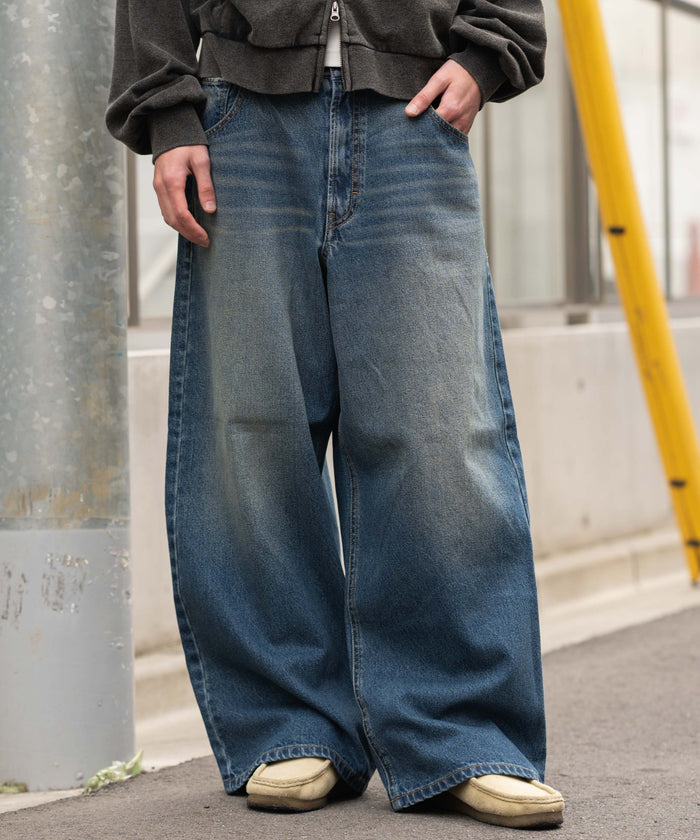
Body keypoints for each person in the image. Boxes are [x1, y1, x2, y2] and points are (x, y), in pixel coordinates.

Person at [107, 0, 564, 829]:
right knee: (251, 435)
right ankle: (288, 725)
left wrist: (487, 52)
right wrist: (167, 109)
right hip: (241, 117)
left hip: (414, 112)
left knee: (439, 435)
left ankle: (462, 735)